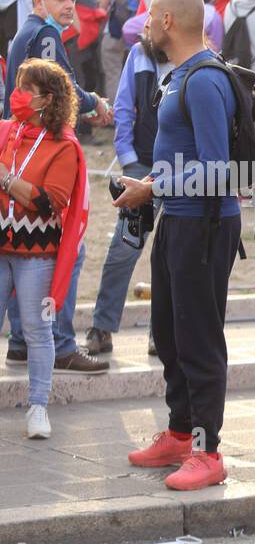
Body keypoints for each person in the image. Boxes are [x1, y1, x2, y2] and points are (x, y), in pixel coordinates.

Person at [112, 0, 243, 491]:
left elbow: (218, 170)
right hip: (178, 219)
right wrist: (152, 187)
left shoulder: (205, 80)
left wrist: (152, 188)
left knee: (199, 339)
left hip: (204, 226)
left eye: (150, 14)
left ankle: (208, 452)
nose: (144, 22)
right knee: (168, 331)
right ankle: (180, 432)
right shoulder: (182, 73)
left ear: (168, 20)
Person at [3, 0, 110, 375]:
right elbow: (60, 88)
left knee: (22, 251)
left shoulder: (24, 33)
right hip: (44, 150)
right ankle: (60, 344)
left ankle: (20, 343)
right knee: (68, 248)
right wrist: (95, 100)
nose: (69, 5)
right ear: (38, 1)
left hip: (24, 151)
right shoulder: (45, 36)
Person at [0, 59, 89, 438]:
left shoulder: (63, 145)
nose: (17, 96)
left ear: (47, 99)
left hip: (37, 254)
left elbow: (48, 202)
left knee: (37, 331)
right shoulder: (9, 132)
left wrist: (5, 179)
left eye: (26, 90)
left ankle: (38, 407)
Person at [84, 35, 171, 356]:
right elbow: (123, 105)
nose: (150, 25)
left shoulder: (196, 55)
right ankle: (102, 327)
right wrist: (128, 156)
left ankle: (160, 333)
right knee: (123, 248)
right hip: (141, 166)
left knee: (170, 255)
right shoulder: (139, 53)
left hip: (181, 173)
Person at [97, 0, 135, 101]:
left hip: (114, 30)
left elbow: (102, 4)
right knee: (131, 74)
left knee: (113, 72)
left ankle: (114, 113)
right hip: (136, 30)